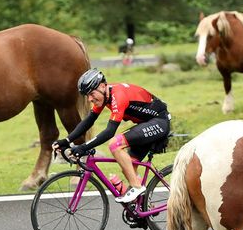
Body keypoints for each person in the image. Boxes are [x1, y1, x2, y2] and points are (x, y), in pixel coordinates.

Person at [53, 68, 171, 204]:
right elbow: (89, 121)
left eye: (91, 94)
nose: (90, 99)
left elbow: (110, 132)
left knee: (115, 144)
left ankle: (137, 188)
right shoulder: (104, 96)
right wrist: (67, 140)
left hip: (159, 122)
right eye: (87, 96)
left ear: (103, 86)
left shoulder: (118, 96)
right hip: (145, 124)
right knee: (128, 166)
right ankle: (144, 207)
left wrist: (84, 147)